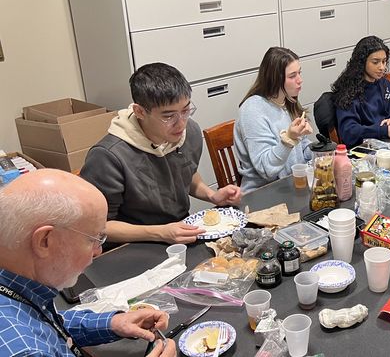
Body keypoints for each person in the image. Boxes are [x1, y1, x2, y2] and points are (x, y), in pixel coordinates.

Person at [0, 169, 176, 357]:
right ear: (45, 241)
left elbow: (44, 324)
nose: (98, 250)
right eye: (93, 239)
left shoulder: (17, 286)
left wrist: (113, 323)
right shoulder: (27, 351)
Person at [80, 63, 242, 245]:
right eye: (168, 116)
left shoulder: (190, 133)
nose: (181, 123)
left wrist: (211, 195)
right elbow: (97, 226)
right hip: (132, 246)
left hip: (177, 234)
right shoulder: (108, 156)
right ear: (140, 111)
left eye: (185, 110)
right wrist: (159, 233)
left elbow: (186, 174)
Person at [235, 47, 314, 192]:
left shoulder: (287, 101)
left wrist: (320, 151)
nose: (300, 80)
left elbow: (300, 151)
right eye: (292, 76)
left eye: (299, 73)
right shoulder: (252, 110)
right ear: (275, 79)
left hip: (291, 186)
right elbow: (266, 169)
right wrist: (289, 138)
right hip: (262, 193)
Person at [331, 36, 390, 146]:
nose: (382, 67)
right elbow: (349, 132)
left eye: (384, 61)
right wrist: (385, 131)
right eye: (375, 62)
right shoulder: (348, 91)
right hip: (364, 150)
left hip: (386, 142)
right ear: (362, 62)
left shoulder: (384, 84)